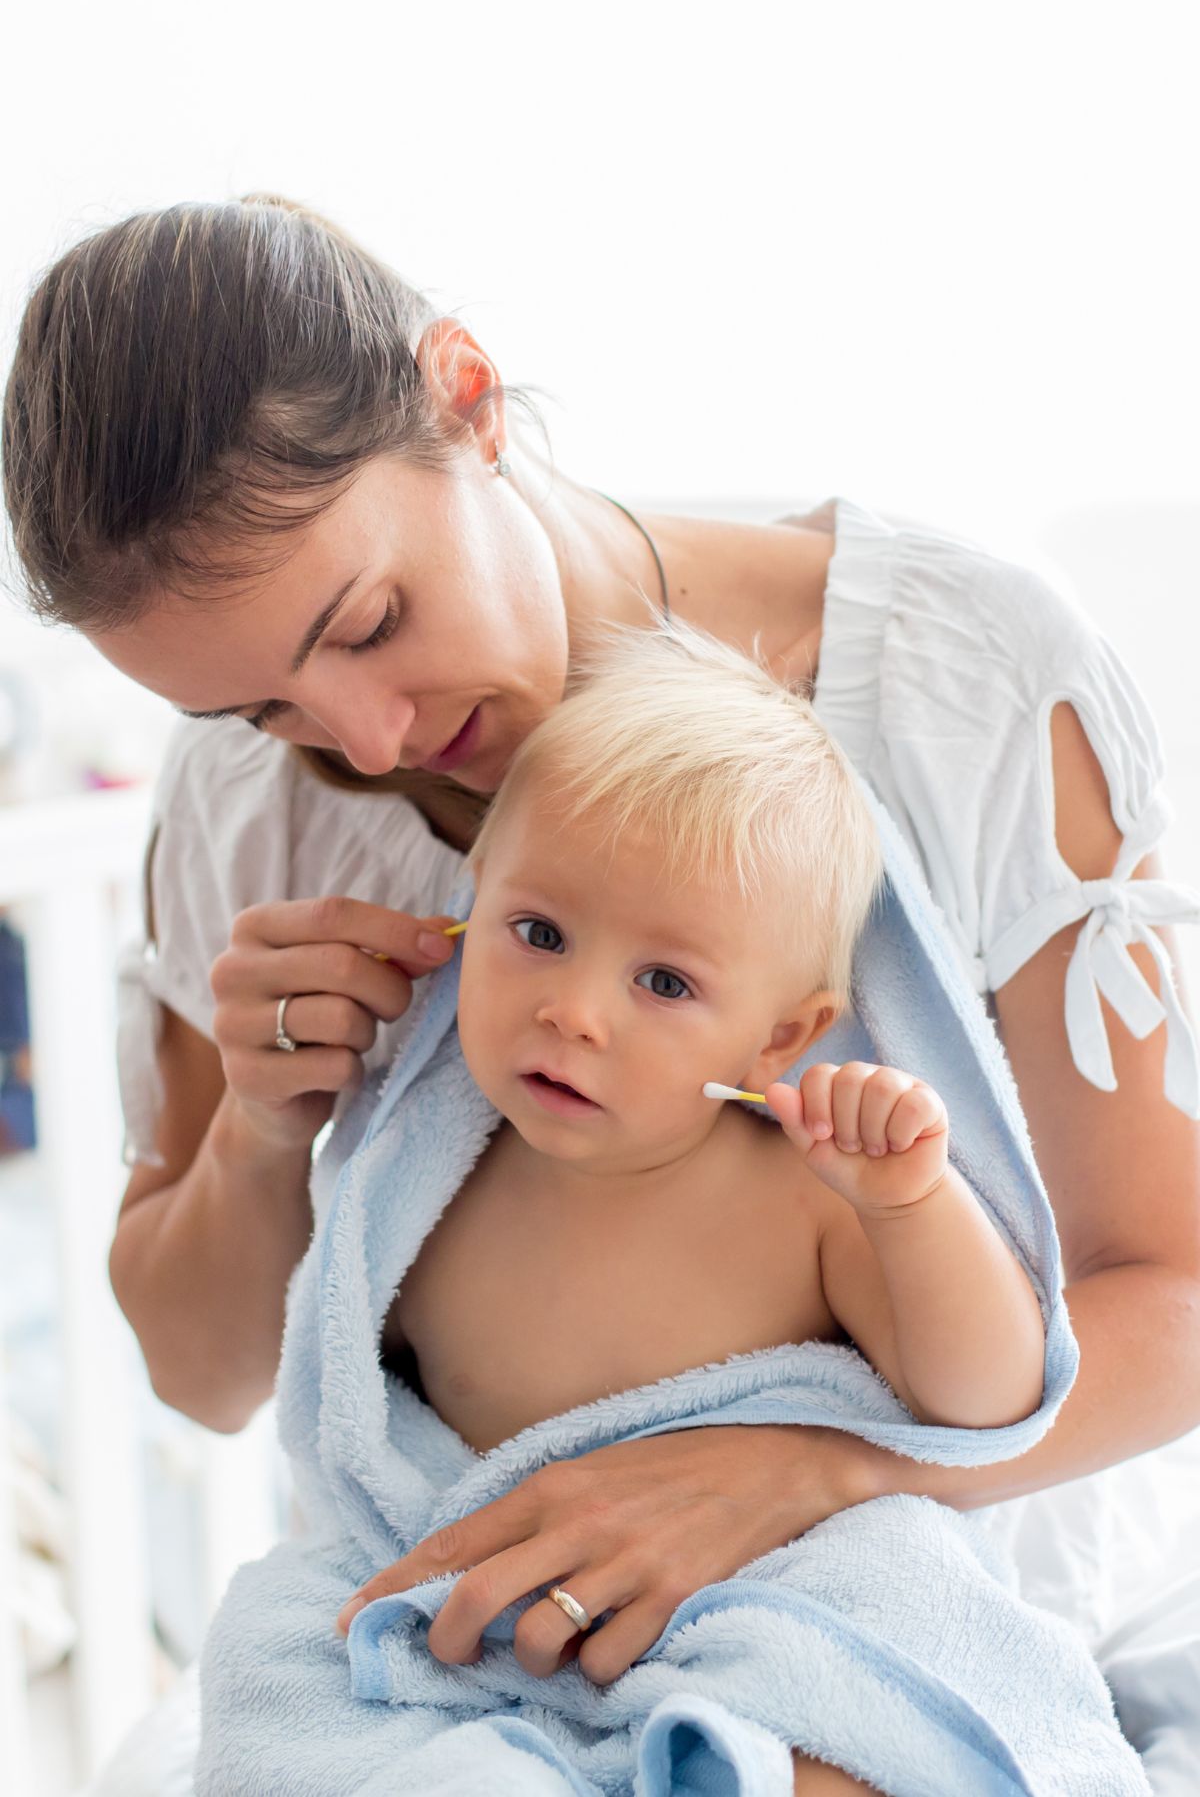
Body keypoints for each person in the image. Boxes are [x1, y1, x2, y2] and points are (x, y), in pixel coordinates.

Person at [3, 194, 1199, 1730]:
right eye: (260, 711)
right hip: (474, 1655)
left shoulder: (958, 682)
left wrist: (810, 1474)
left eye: (369, 622)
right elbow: (205, 1379)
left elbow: (1171, 1287)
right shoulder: (251, 813)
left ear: (468, 398)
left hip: (930, 1620)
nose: (360, 745)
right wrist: (259, 1126)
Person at [338, 621, 1054, 1793]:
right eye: (540, 933)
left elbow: (988, 1403)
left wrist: (913, 1204)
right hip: (483, 1638)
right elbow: (354, 1433)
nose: (575, 1010)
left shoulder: (803, 1196)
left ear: (778, 1035)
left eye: (664, 982)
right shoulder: (424, 1192)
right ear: (477, 903)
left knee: (856, 1750)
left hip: (765, 1623)